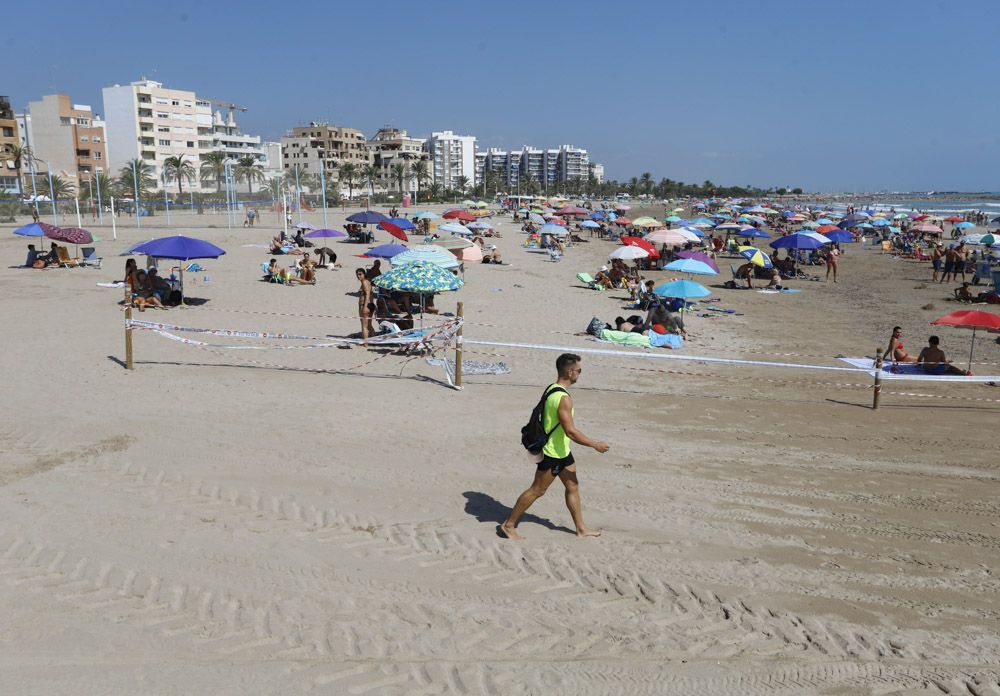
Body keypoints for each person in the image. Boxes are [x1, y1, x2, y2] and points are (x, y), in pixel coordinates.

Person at [500, 353, 608, 540]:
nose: (580, 374)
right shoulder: (563, 398)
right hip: (552, 453)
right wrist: (594, 444)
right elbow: (571, 431)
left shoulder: (552, 388)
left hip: (563, 450)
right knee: (537, 490)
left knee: (572, 485)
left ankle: (581, 528)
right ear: (570, 372)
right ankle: (508, 525)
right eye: (579, 371)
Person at [356, 268, 375, 347]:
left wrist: (365, 307)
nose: (358, 276)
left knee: (364, 325)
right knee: (369, 324)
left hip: (365, 304)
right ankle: (374, 340)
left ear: (364, 274)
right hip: (370, 305)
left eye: (360, 274)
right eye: (357, 274)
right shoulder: (368, 282)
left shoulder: (364, 282)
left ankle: (365, 343)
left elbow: (367, 294)